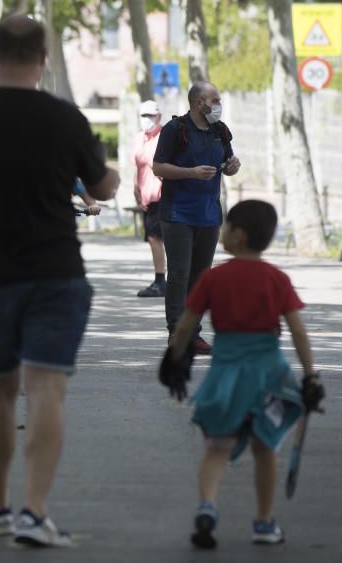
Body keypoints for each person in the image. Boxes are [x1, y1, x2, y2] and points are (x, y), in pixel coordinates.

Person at [0, 15, 118, 547]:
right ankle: (35, 511)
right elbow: (102, 184)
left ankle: (0, 504)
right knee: (47, 388)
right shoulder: (65, 118)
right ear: (44, 56)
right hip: (57, 270)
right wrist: (113, 177)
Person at [159, 200, 324, 550]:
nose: (221, 233)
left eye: (225, 226)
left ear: (238, 234)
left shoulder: (214, 277)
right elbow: (297, 331)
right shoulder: (276, 279)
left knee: (217, 447)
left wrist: (174, 357)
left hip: (227, 372)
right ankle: (264, 523)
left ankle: (207, 506)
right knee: (266, 448)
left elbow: (187, 323)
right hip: (268, 373)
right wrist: (311, 376)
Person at [152, 81, 241, 355]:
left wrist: (232, 167)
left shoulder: (219, 131)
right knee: (179, 273)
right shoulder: (175, 130)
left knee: (201, 277)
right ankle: (176, 333)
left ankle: (194, 333)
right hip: (178, 213)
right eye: (213, 100)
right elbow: (158, 167)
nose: (218, 105)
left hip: (209, 214)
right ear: (197, 103)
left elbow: (227, 163)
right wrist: (190, 173)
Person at [132, 99, 166, 297]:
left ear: (158, 116)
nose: (147, 120)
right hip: (147, 196)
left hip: (164, 195)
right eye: (143, 116)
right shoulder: (139, 138)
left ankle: (163, 281)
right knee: (154, 239)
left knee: (160, 238)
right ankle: (160, 280)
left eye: (150, 116)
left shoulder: (164, 136)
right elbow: (138, 165)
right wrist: (136, 187)